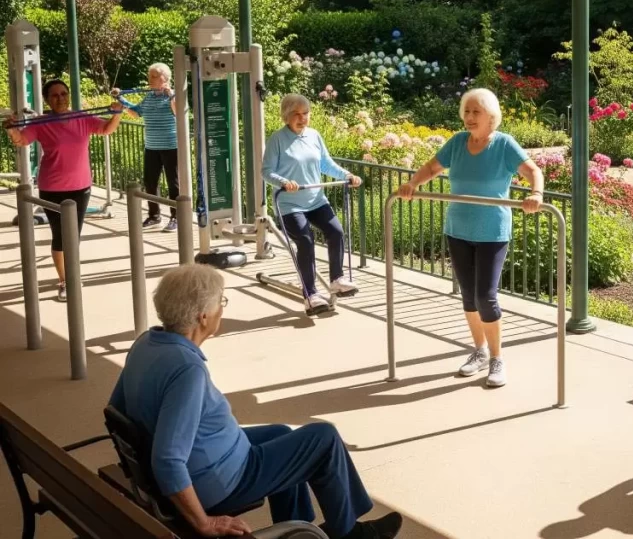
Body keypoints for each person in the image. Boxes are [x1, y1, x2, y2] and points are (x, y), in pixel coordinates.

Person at [108, 264, 403, 539]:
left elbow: (116, 410)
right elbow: (168, 459)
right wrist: (204, 522)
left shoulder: (146, 343)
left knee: (281, 435)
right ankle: (349, 534)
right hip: (217, 481)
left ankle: (298, 528)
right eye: (220, 302)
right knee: (322, 438)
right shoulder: (187, 370)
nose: (222, 309)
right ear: (203, 317)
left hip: (207, 461)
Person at [398, 88, 544, 388]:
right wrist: (413, 183)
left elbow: (533, 171)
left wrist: (536, 194)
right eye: (467, 111)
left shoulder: (504, 145)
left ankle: (496, 358)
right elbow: (431, 167)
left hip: (492, 232)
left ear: (492, 117)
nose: (469, 117)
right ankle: (478, 351)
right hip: (458, 230)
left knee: (485, 296)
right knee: (468, 296)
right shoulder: (457, 143)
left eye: (476, 112)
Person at [5, 79, 123, 301]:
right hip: (52, 188)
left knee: (73, 236)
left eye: (63, 93)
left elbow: (106, 129)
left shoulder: (82, 118)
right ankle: (65, 280)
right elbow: (21, 140)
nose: (60, 98)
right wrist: (12, 130)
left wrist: (117, 113)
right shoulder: (41, 122)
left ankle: (70, 275)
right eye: (54, 95)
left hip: (81, 187)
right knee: (61, 237)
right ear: (47, 100)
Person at [261, 94, 362, 314]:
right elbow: (266, 171)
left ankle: (337, 279)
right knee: (306, 241)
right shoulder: (277, 139)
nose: (302, 118)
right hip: (290, 205)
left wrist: (347, 175)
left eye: (305, 113)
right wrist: (284, 182)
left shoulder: (314, 136)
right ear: (286, 116)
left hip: (315, 200)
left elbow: (326, 163)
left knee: (336, 232)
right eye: (296, 114)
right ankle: (311, 294)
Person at [113, 63, 179, 232]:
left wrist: (171, 95)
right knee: (150, 182)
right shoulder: (149, 96)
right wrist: (120, 98)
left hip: (171, 146)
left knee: (174, 184)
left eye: (154, 76)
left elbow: (179, 111)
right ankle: (154, 215)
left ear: (165, 78)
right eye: (149, 76)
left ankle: (176, 217)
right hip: (152, 146)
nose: (150, 79)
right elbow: (136, 112)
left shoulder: (173, 95)